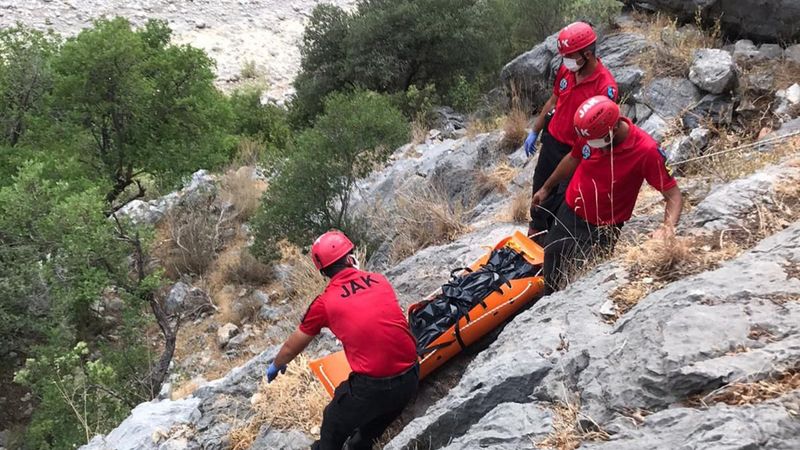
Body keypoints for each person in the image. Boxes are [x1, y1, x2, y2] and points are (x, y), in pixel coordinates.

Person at [265, 230, 419, 450]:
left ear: (323, 271)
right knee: (371, 428)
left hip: (374, 387)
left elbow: (293, 344)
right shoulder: (378, 279)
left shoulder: (324, 303)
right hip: (411, 376)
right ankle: (359, 445)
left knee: (332, 421)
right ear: (350, 259)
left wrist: (277, 364)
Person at [532, 96, 683, 295]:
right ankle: (546, 301)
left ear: (612, 130)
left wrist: (667, 228)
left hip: (602, 229)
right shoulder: (590, 130)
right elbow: (573, 158)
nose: (591, 146)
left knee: (583, 281)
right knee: (552, 258)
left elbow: (673, 195)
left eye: (595, 143)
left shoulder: (646, 151)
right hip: (569, 213)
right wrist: (546, 188)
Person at [523, 21, 619, 244]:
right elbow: (554, 99)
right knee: (539, 194)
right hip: (552, 144)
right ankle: (534, 239)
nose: (565, 60)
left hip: (576, 153)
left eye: (570, 55)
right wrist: (535, 130)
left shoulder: (604, 87)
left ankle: (553, 249)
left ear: (587, 54)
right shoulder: (568, 69)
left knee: (562, 202)